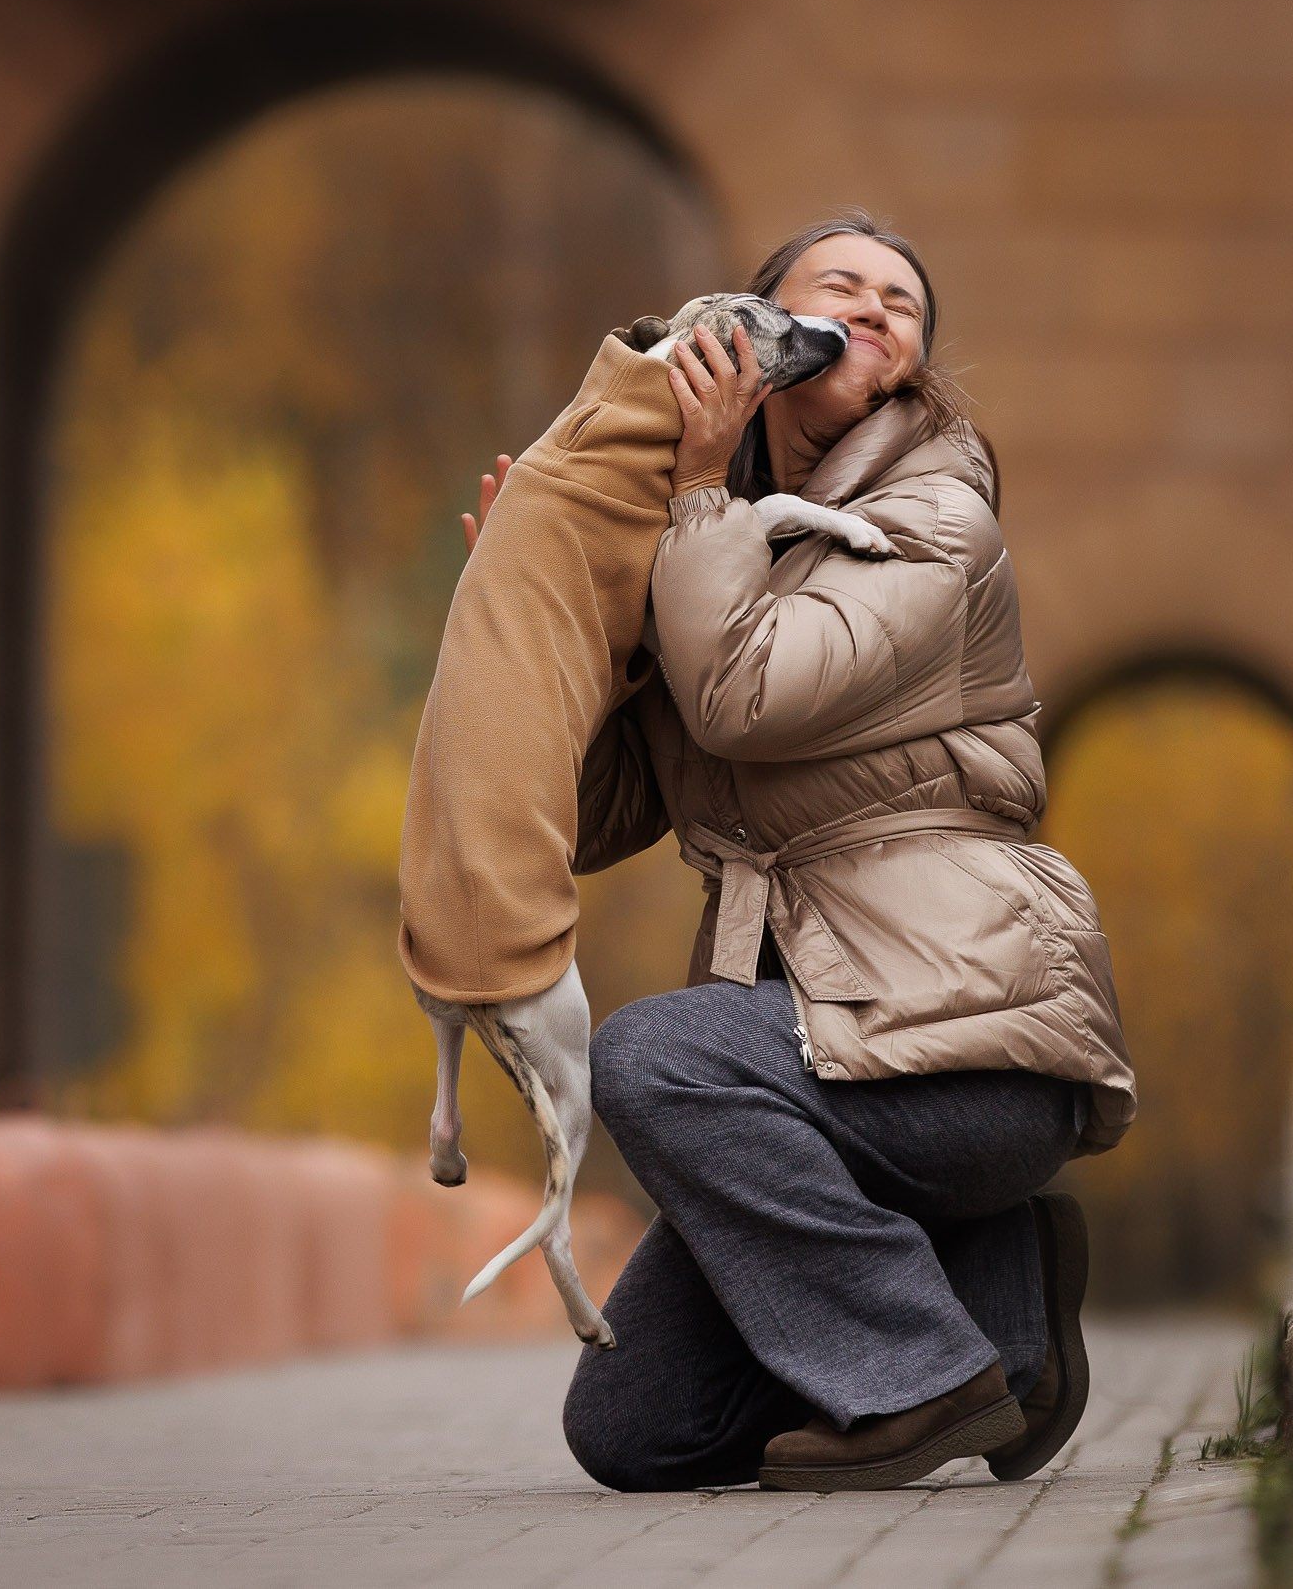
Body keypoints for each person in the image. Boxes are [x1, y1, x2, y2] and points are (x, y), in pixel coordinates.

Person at [463, 212, 1133, 1493]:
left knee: (650, 1058)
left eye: (904, 304)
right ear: (753, 328)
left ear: (909, 367)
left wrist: (698, 494)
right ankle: (999, 1297)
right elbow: (603, 817)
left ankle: (928, 1380)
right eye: (842, 287)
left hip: (969, 1042)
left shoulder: (938, 522)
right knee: (634, 1431)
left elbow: (742, 701)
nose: (876, 307)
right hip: (832, 1056)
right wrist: (544, 611)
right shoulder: (696, 537)